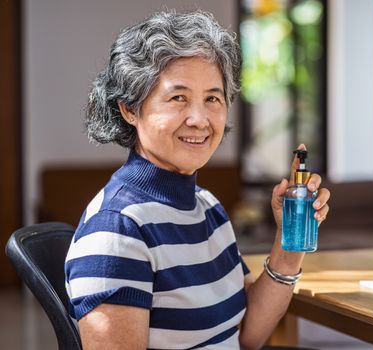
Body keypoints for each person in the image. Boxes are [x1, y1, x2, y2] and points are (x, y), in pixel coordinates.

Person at [64, 10, 330, 350]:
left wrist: (290, 240)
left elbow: (246, 336)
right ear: (130, 110)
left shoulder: (207, 206)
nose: (199, 119)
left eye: (212, 99)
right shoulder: (117, 231)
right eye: (178, 98)